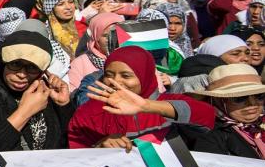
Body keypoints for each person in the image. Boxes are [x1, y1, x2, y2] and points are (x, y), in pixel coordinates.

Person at [68, 46, 215, 149]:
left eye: (126, 76)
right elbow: (77, 158)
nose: (115, 82)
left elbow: (207, 117)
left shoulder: (168, 103)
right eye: (109, 74)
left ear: (145, 76)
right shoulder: (89, 112)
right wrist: (99, 147)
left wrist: (147, 106)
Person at [0, 31, 76, 151]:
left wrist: (64, 106)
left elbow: (70, 144)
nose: (22, 74)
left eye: (32, 67)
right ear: (3, 61)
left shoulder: (47, 92)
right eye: (15, 64)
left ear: (43, 70)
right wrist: (24, 112)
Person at [189, 63, 265, 158]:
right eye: (240, 98)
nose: (252, 103)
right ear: (219, 101)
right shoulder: (209, 136)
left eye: (259, 96)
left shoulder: (261, 123)